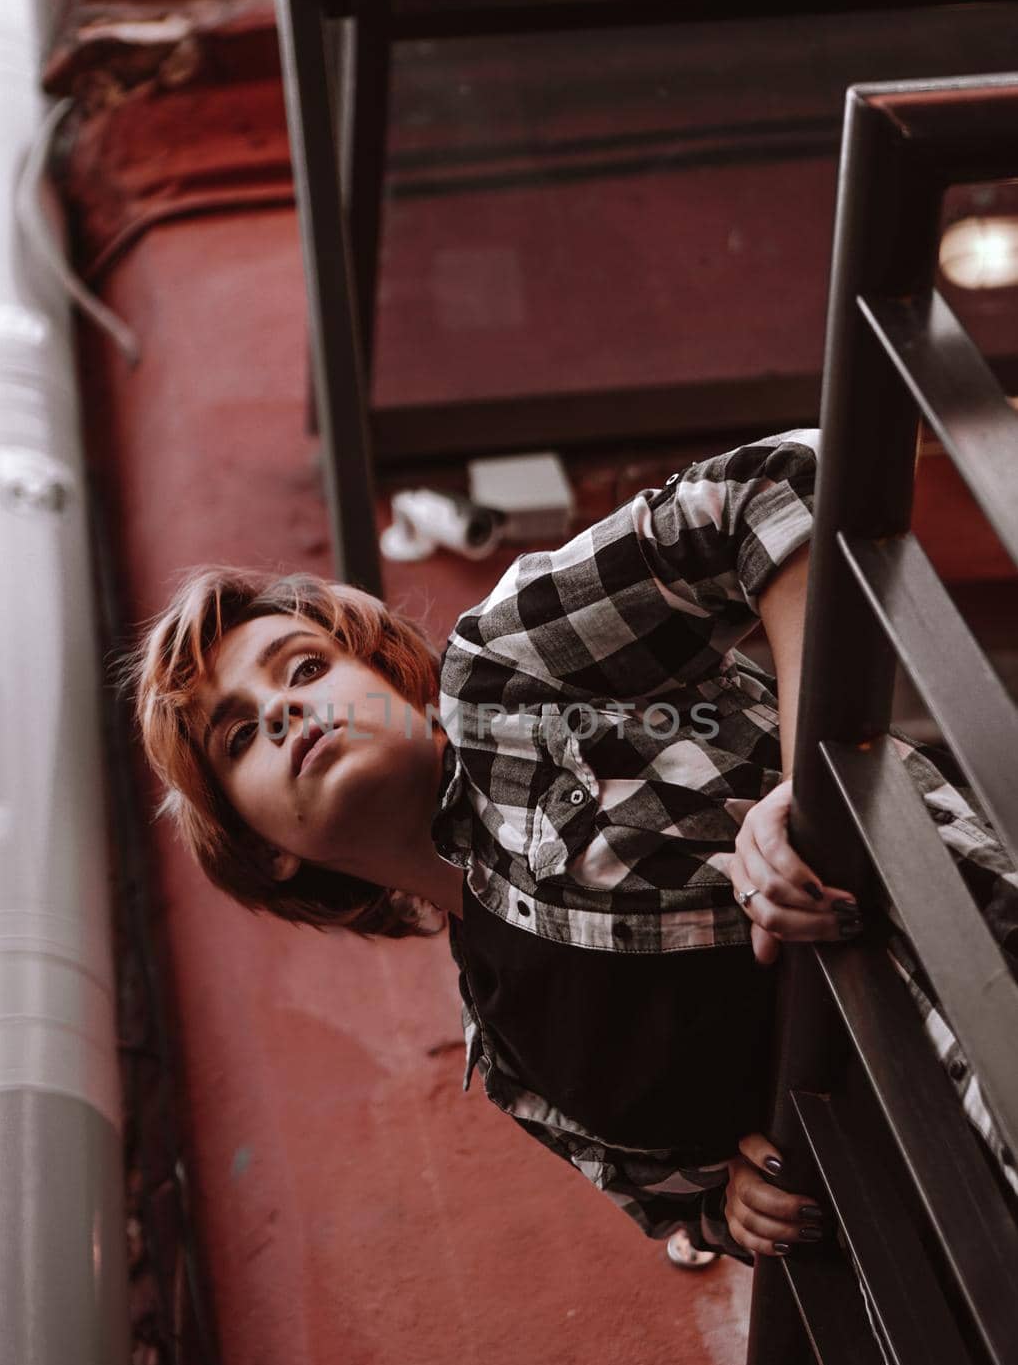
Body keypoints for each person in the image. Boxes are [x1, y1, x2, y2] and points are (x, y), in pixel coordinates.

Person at [118, 428, 1018, 1270]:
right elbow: (681, 1208)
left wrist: (806, 782)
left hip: (974, 978)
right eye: (238, 738)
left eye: (305, 667)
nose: (281, 712)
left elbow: (781, 481)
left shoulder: (507, 676)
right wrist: (728, 1206)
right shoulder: (509, 1057)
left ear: (394, 680)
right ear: (267, 850)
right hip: (940, 1232)